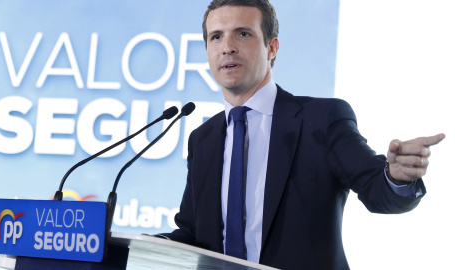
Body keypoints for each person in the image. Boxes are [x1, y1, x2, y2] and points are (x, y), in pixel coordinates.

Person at [159, 0, 445, 269]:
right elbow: (194, 233)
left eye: (243, 34)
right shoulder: (202, 139)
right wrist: (138, 244)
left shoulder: (322, 119)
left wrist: (396, 178)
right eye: (216, 37)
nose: (227, 47)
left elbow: (377, 191)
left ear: (272, 48)